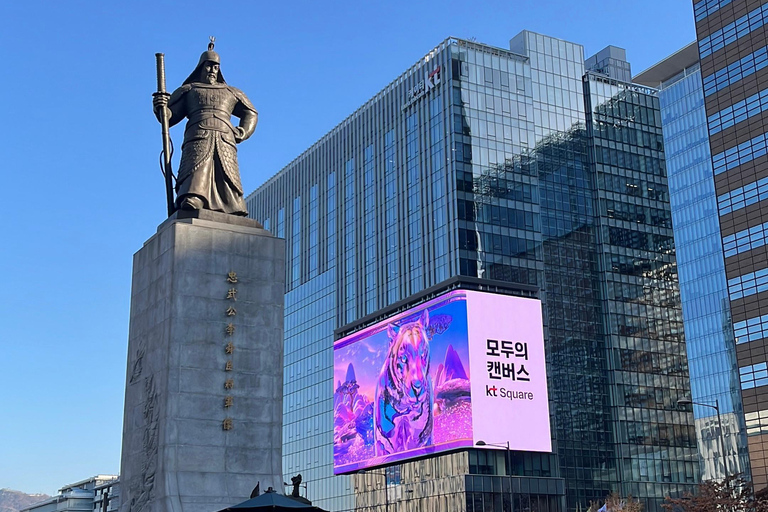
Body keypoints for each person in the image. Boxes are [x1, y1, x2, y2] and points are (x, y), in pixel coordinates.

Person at [153, 46, 257, 216]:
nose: (212, 70)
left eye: (216, 67)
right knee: (197, 168)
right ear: (200, 67)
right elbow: (169, 118)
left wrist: (243, 132)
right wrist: (161, 106)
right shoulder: (190, 90)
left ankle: (232, 204)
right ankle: (194, 197)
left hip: (225, 137)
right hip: (198, 135)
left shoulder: (231, 92)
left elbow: (250, 112)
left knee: (226, 172)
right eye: (208, 66)